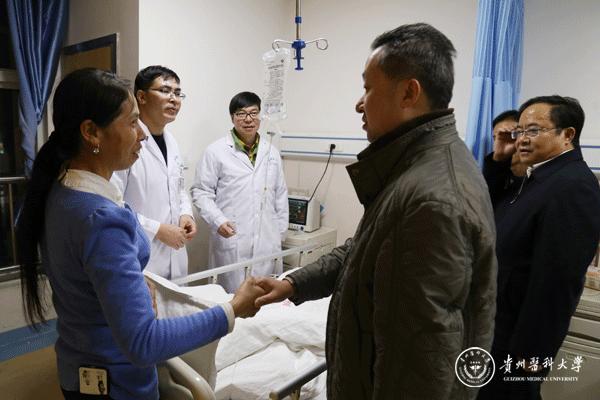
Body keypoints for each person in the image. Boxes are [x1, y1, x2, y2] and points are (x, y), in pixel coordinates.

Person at [254, 23, 497, 399]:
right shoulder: (415, 171)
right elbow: (362, 249)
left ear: (409, 93)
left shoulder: (432, 200)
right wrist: (294, 283)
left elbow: (420, 366)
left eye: (368, 88)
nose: (359, 103)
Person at [15, 68, 264, 400]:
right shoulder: (101, 219)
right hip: (115, 381)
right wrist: (232, 309)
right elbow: (144, 342)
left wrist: (132, 275)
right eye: (132, 123)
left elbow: (91, 262)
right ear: (92, 132)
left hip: (80, 364)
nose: (142, 136)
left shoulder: (63, 192)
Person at [477, 96, 600, 400]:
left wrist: (529, 357)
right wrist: (499, 159)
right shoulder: (539, 177)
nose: (522, 139)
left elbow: (556, 284)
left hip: (516, 343)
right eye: (519, 131)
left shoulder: (573, 187)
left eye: (533, 130)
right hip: (497, 327)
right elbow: (488, 212)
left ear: (567, 135)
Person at [191, 92, 288, 292]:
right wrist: (218, 221)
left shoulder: (271, 153)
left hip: (267, 242)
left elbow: (280, 195)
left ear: (260, 116)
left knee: (265, 299)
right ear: (232, 117)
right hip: (232, 239)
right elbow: (201, 192)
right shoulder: (216, 152)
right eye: (241, 114)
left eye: (253, 113)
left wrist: (279, 234)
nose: (248, 119)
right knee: (233, 300)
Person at [112, 66, 194, 280]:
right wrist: (157, 229)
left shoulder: (172, 141)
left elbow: (179, 187)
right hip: (141, 256)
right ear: (141, 97)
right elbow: (113, 204)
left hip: (175, 254)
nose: (174, 99)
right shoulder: (125, 142)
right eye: (165, 91)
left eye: (178, 93)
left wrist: (186, 213)